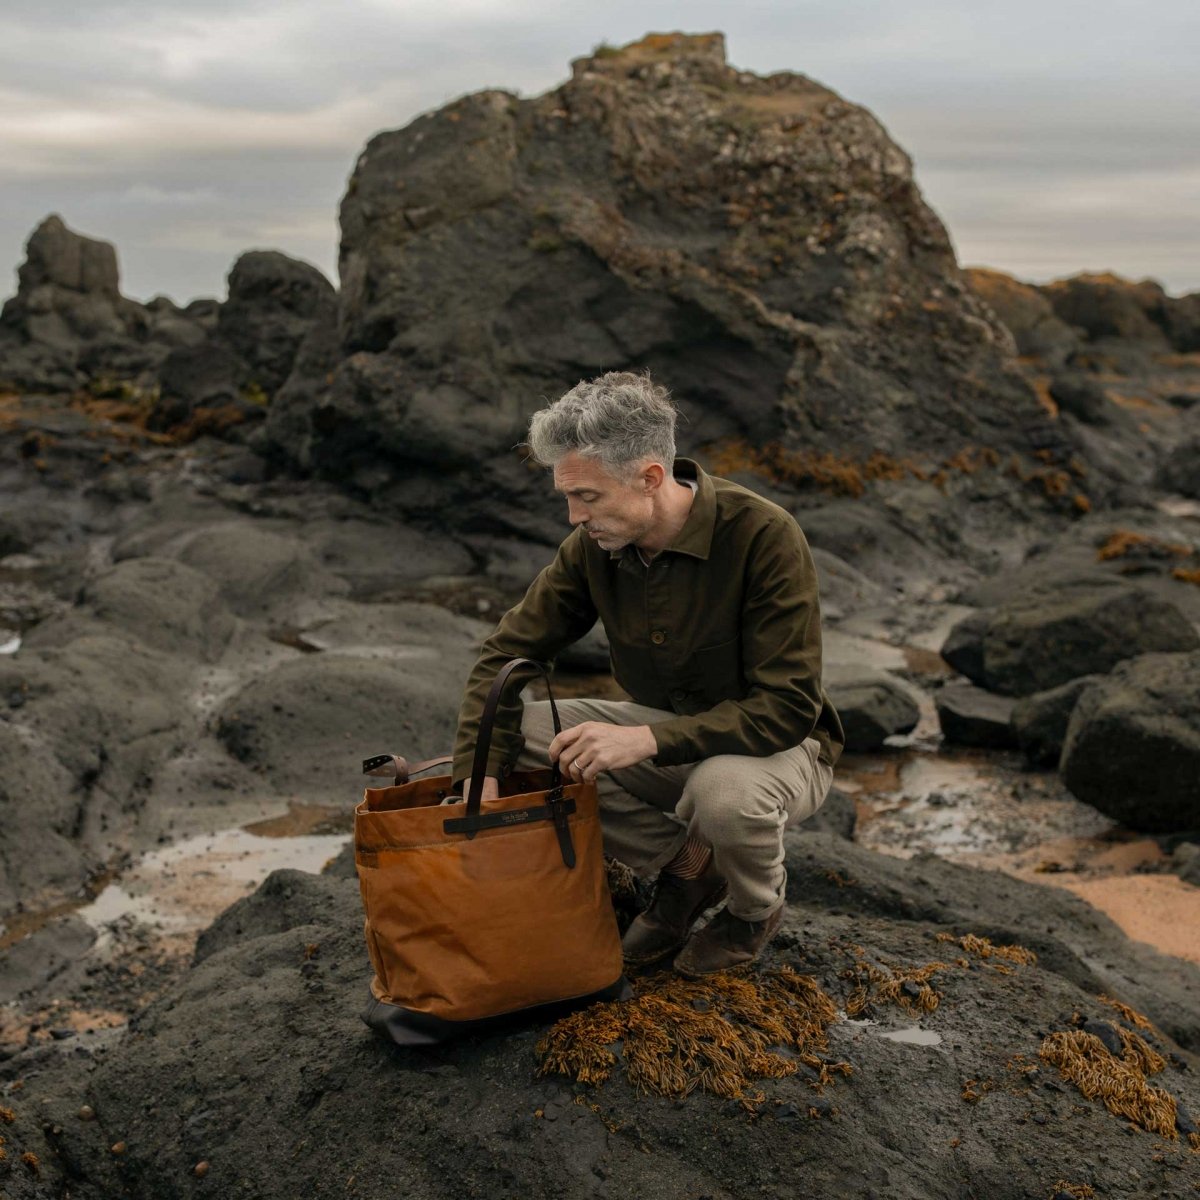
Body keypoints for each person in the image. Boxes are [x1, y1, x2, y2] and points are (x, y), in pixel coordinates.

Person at [450, 371, 844, 976]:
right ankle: (686, 870)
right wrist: (477, 780)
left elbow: (788, 707)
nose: (574, 516)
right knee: (523, 737)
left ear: (650, 478)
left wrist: (646, 739)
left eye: (588, 497)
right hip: (674, 735)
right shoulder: (592, 548)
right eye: (567, 497)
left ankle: (751, 911)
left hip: (782, 749)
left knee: (724, 797)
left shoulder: (763, 536)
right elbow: (504, 655)